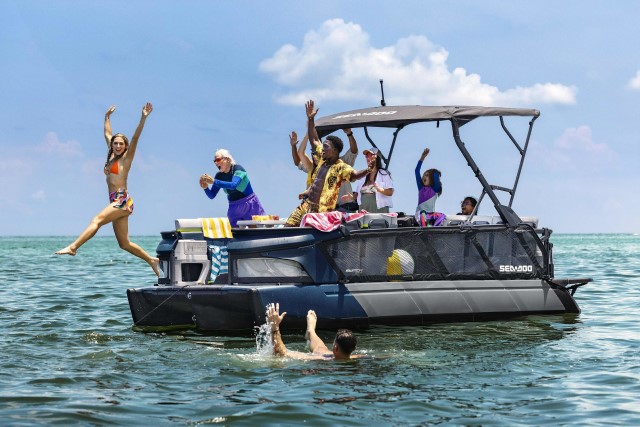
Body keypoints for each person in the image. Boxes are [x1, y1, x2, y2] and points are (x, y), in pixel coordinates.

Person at [56, 103, 160, 276]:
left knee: (96, 220)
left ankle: (73, 247)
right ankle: (152, 260)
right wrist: (106, 117)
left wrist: (143, 118)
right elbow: (107, 133)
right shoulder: (111, 156)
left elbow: (135, 138)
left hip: (122, 200)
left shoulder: (126, 159)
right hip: (115, 201)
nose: (118, 146)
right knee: (124, 244)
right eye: (115, 143)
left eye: (121, 144)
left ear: (125, 146)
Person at [285, 100, 374, 227]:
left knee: (307, 237)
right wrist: (310, 119)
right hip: (306, 205)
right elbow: (314, 139)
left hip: (321, 212)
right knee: (287, 228)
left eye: (326, 147)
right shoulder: (321, 159)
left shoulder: (340, 167)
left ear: (334, 151)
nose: (322, 149)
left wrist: (368, 170)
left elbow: (354, 175)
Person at [291, 127, 359, 212]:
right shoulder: (317, 167)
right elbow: (298, 162)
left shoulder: (343, 162)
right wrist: (294, 145)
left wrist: (349, 134)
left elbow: (354, 151)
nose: (318, 153)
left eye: (324, 148)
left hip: (345, 208)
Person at [266, 302, 358, 360]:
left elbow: (282, 353)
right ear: (354, 348)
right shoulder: (358, 357)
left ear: (336, 348)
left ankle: (311, 331)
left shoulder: (319, 359)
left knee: (320, 351)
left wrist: (275, 328)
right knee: (322, 349)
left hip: (323, 358)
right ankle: (311, 331)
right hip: (335, 356)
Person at [199, 149, 266, 227]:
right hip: (234, 208)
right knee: (234, 232)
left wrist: (214, 181)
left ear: (227, 159)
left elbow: (234, 185)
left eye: (218, 160)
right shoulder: (219, 176)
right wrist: (205, 188)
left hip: (250, 205)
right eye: (215, 161)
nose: (216, 163)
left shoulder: (238, 169)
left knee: (257, 228)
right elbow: (212, 195)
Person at [353, 147, 394, 213]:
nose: (368, 158)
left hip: (379, 211)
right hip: (363, 211)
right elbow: (357, 195)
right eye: (366, 156)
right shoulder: (363, 174)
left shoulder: (384, 173)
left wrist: (380, 190)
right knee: (364, 224)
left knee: (377, 223)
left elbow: (390, 192)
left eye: (371, 155)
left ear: (377, 157)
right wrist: (351, 197)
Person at [414, 147, 442, 223]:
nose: (423, 177)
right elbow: (416, 171)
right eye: (423, 175)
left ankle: (433, 227)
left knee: (442, 216)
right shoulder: (421, 188)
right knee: (423, 214)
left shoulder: (435, 189)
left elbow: (436, 175)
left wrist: (435, 172)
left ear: (432, 178)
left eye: (427, 175)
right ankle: (426, 227)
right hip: (420, 214)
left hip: (430, 215)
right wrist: (422, 157)